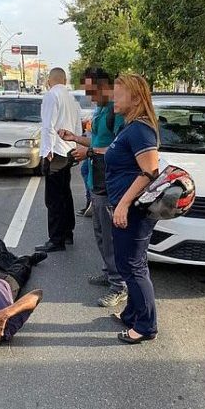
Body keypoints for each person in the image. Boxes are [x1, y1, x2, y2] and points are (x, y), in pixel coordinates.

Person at [59, 67, 127, 307]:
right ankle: (110, 273)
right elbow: (98, 142)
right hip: (96, 182)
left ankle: (119, 285)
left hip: (110, 182)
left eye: (91, 89)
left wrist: (87, 151)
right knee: (99, 233)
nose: (89, 94)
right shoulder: (100, 111)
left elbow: (120, 148)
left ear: (104, 86)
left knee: (110, 237)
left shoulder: (116, 112)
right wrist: (75, 138)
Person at [104, 73, 160, 344]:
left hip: (134, 210)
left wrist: (123, 204)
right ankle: (132, 313)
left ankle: (147, 325)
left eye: (120, 92)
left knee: (133, 267)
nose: (114, 96)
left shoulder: (140, 129)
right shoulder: (129, 127)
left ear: (136, 97)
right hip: (124, 205)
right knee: (129, 263)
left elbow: (150, 171)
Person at [35, 67, 82, 253]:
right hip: (69, 151)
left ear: (50, 79)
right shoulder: (71, 98)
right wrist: (77, 148)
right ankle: (67, 233)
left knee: (53, 198)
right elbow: (77, 127)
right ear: (64, 79)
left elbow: (48, 126)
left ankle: (55, 240)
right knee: (65, 194)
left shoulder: (51, 95)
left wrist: (46, 152)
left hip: (55, 152)